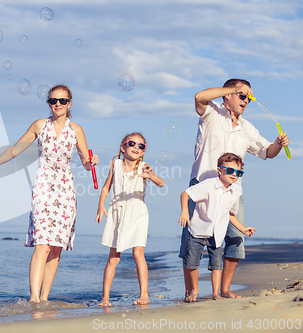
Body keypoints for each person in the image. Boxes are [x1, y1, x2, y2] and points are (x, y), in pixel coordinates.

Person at [0, 84, 99, 303]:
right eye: (53, 100)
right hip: (43, 189)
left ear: (69, 103)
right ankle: (34, 298)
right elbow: (15, 149)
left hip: (65, 191)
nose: (57, 104)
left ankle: (44, 299)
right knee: (42, 244)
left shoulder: (77, 130)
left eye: (62, 101)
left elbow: (84, 161)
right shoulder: (39, 125)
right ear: (48, 103)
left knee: (56, 248)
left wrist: (91, 161)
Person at [179, 78, 290, 299]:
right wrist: (234, 89)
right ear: (227, 95)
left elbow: (267, 151)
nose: (246, 100)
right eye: (241, 95)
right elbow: (198, 97)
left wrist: (279, 143)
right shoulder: (212, 112)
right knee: (192, 239)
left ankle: (225, 289)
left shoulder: (247, 127)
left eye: (248, 97)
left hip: (232, 191)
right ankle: (191, 290)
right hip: (201, 183)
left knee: (235, 240)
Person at [96, 133, 164, 306]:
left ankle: (144, 294)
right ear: (123, 147)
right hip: (117, 211)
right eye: (132, 143)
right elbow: (106, 187)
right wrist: (100, 205)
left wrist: (152, 176)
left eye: (141, 146)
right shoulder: (115, 164)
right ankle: (105, 297)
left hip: (137, 212)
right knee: (113, 257)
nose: (136, 147)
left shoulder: (144, 167)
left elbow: (161, 183)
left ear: (143, 152)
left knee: (137, 253)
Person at [179, 153, 256, 302]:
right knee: (192, 262)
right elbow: (185, 194)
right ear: (219, 170)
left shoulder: (235, 191)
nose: (234, 175)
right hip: (198, 229)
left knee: (216, 265)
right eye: (230, 170)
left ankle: (215, 293)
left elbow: (230, 214)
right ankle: (194, 290)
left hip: (218, 232)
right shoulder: (208, 184)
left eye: (238, 172)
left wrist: (243, 228)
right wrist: (185, 212)